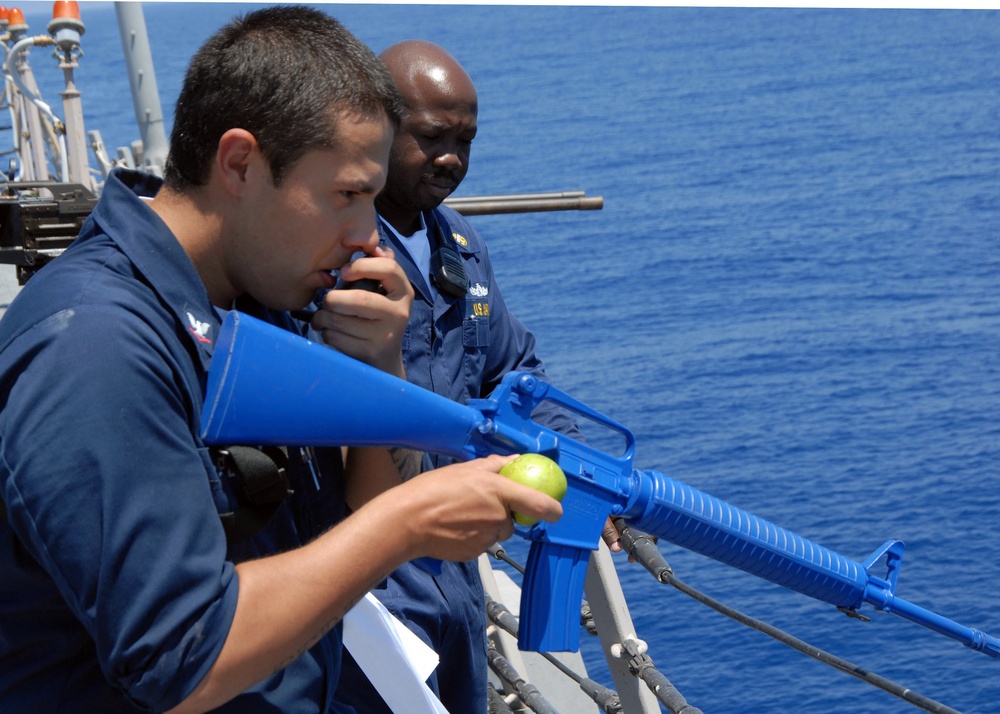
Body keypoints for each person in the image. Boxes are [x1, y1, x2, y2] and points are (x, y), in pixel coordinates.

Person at [0, 8, 562, 713]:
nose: (367, 237)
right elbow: (182, 655)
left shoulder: (257, 292)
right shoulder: (91, 345)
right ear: (239, 164)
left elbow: (365, 502)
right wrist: (411, 524)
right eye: (349, 196)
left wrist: (380, 367)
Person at [334, 40, 589, 714]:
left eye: (465, 140)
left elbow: (514, 370)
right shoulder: (338, 255)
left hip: (456, 569)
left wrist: (577, 465)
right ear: (375, 127)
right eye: (431, 137)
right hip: (370, 574)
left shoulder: (461, 246)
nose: (451, 157)